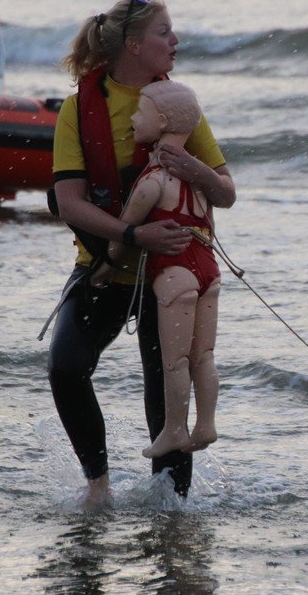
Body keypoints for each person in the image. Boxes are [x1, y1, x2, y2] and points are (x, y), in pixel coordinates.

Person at [46, 0, 235, 506]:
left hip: (169, 275)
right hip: (104, 268)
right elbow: (68, 203)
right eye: (164, 33)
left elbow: (225, 191)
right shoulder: (78, 110)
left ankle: (172, 511)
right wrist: (132, 236)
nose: (175, 42)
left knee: (165, 384)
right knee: (65, 367)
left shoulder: (180, 106)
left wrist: (188, 165)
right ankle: (98, 487)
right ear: (133, 44)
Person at [92, 81, 221, 459]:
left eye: (140, 113)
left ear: (162, 121)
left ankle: (175, 429)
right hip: (209, 271)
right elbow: (211, 218)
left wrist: (106, 265)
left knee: (175, 360)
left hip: (175, 274)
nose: (133, 119)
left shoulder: (153, 180)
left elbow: (127, 230)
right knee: (205, 355)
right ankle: (207, 423)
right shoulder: (198, 180)